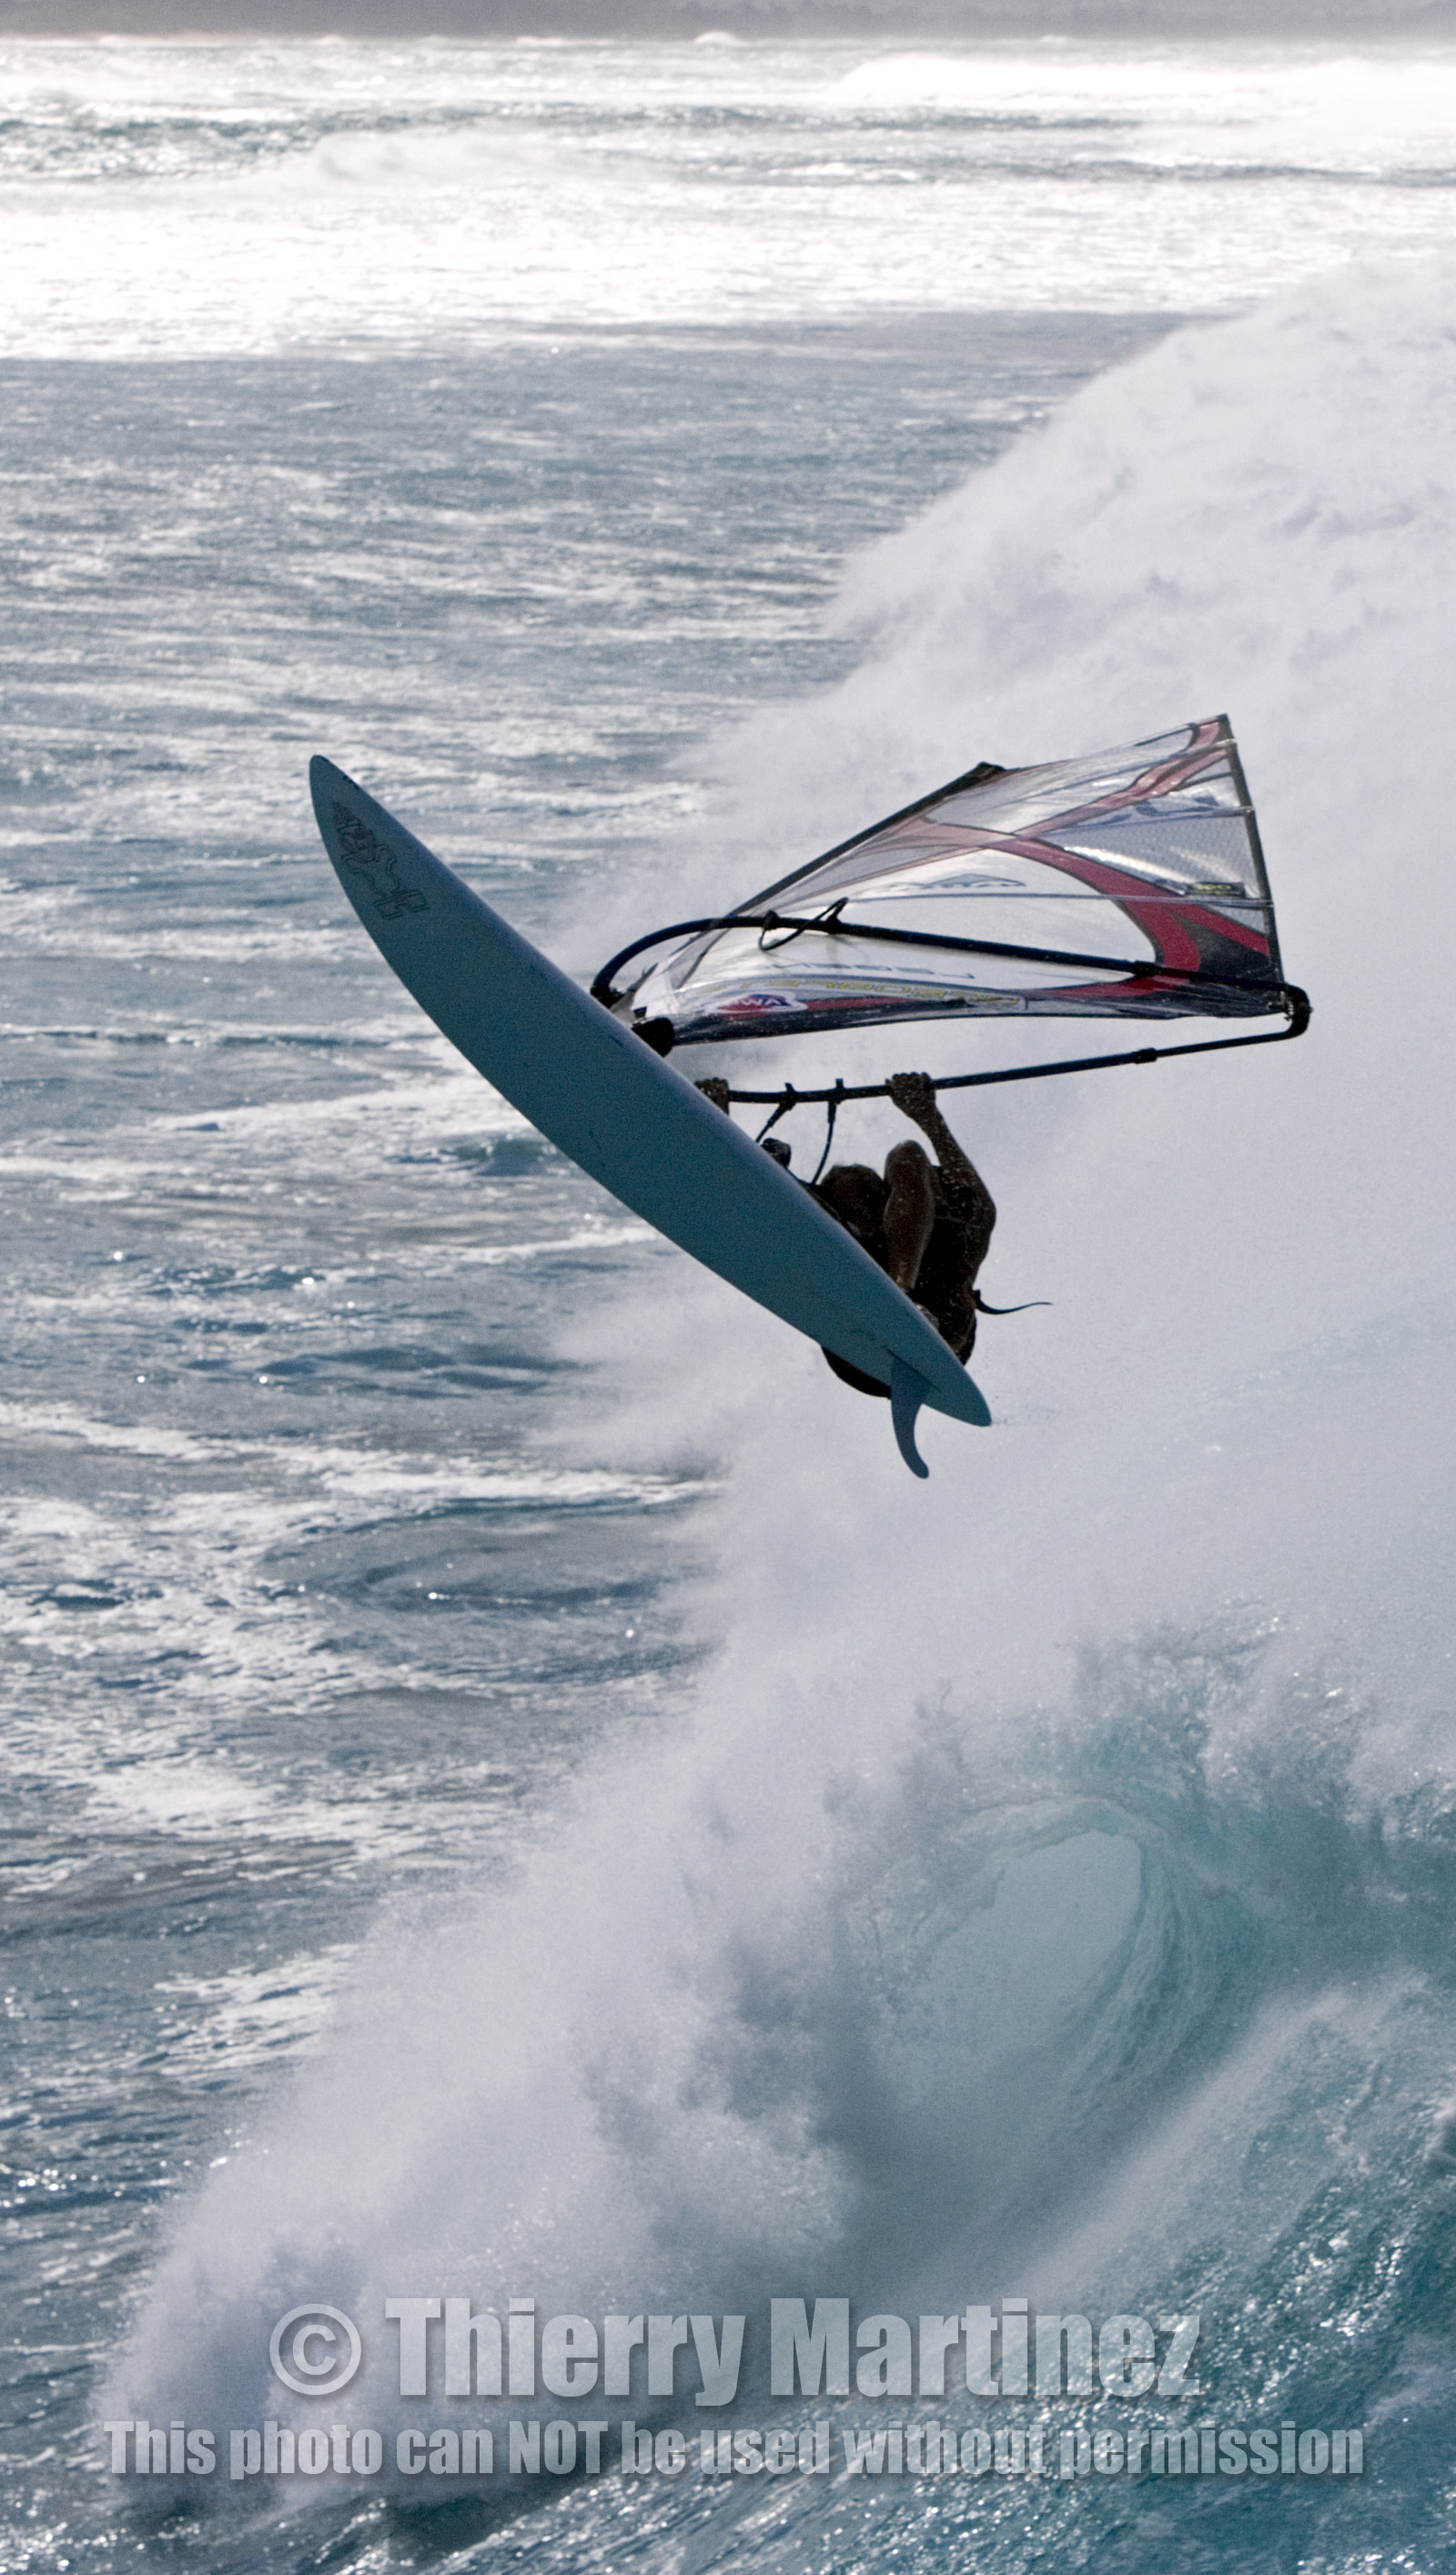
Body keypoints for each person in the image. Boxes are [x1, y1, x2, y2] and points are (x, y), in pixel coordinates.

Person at [696, 1068, 996, 1398]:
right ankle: (898, 1302)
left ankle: (900, 1296)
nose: (850, 1192)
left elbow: (736, 1206)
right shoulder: (838, 1235)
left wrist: (926, 1114)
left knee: (907, 1155)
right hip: (863, 1359)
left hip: (942, 1347)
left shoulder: (956, 1228)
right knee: (805, 1194)